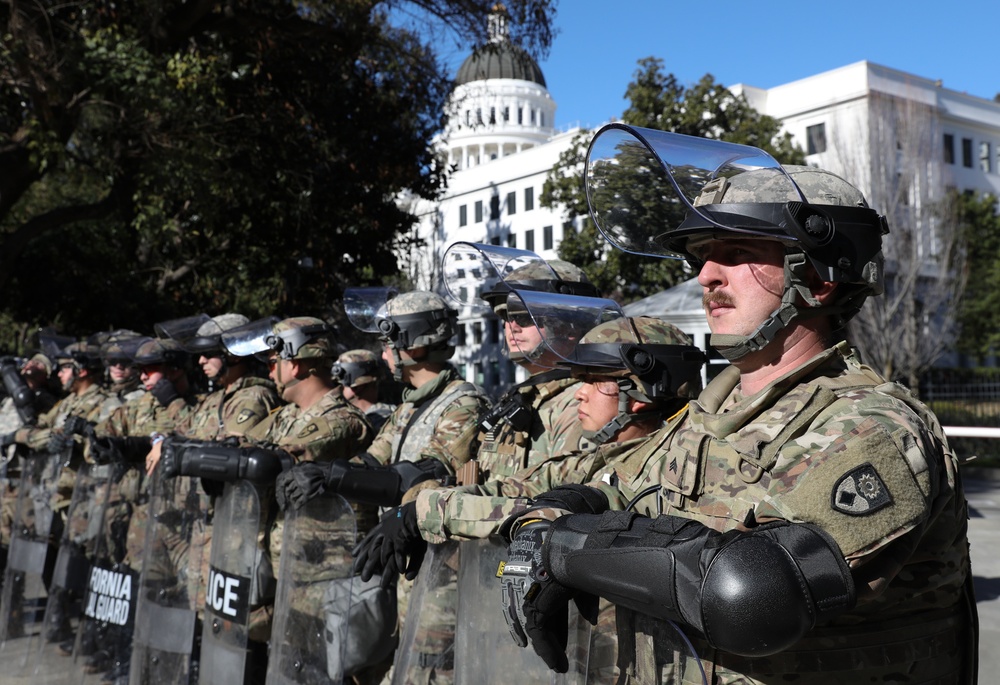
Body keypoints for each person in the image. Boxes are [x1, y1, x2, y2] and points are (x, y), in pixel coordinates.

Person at [498, 124, 977, 684]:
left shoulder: (871, 427)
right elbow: (612, 485)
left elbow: (749, 590)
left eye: (738, 252)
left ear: (818, 280)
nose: (705, 276)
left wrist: (562, 549)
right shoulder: (707, 414)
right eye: (702, 256)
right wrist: (541, 522)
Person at [355, 314, 704, 684]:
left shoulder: (673, 464)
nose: (579, 393)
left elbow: (543, 512)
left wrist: (426, 511)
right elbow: (512, 490)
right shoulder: (593, 460)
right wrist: (416, 509)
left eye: (593, 382)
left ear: (638, 394)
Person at [333, 348, 396, 433]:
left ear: (356, 388)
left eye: (341, 385)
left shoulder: (379, 420)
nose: (337, 390)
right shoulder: (394, 414)